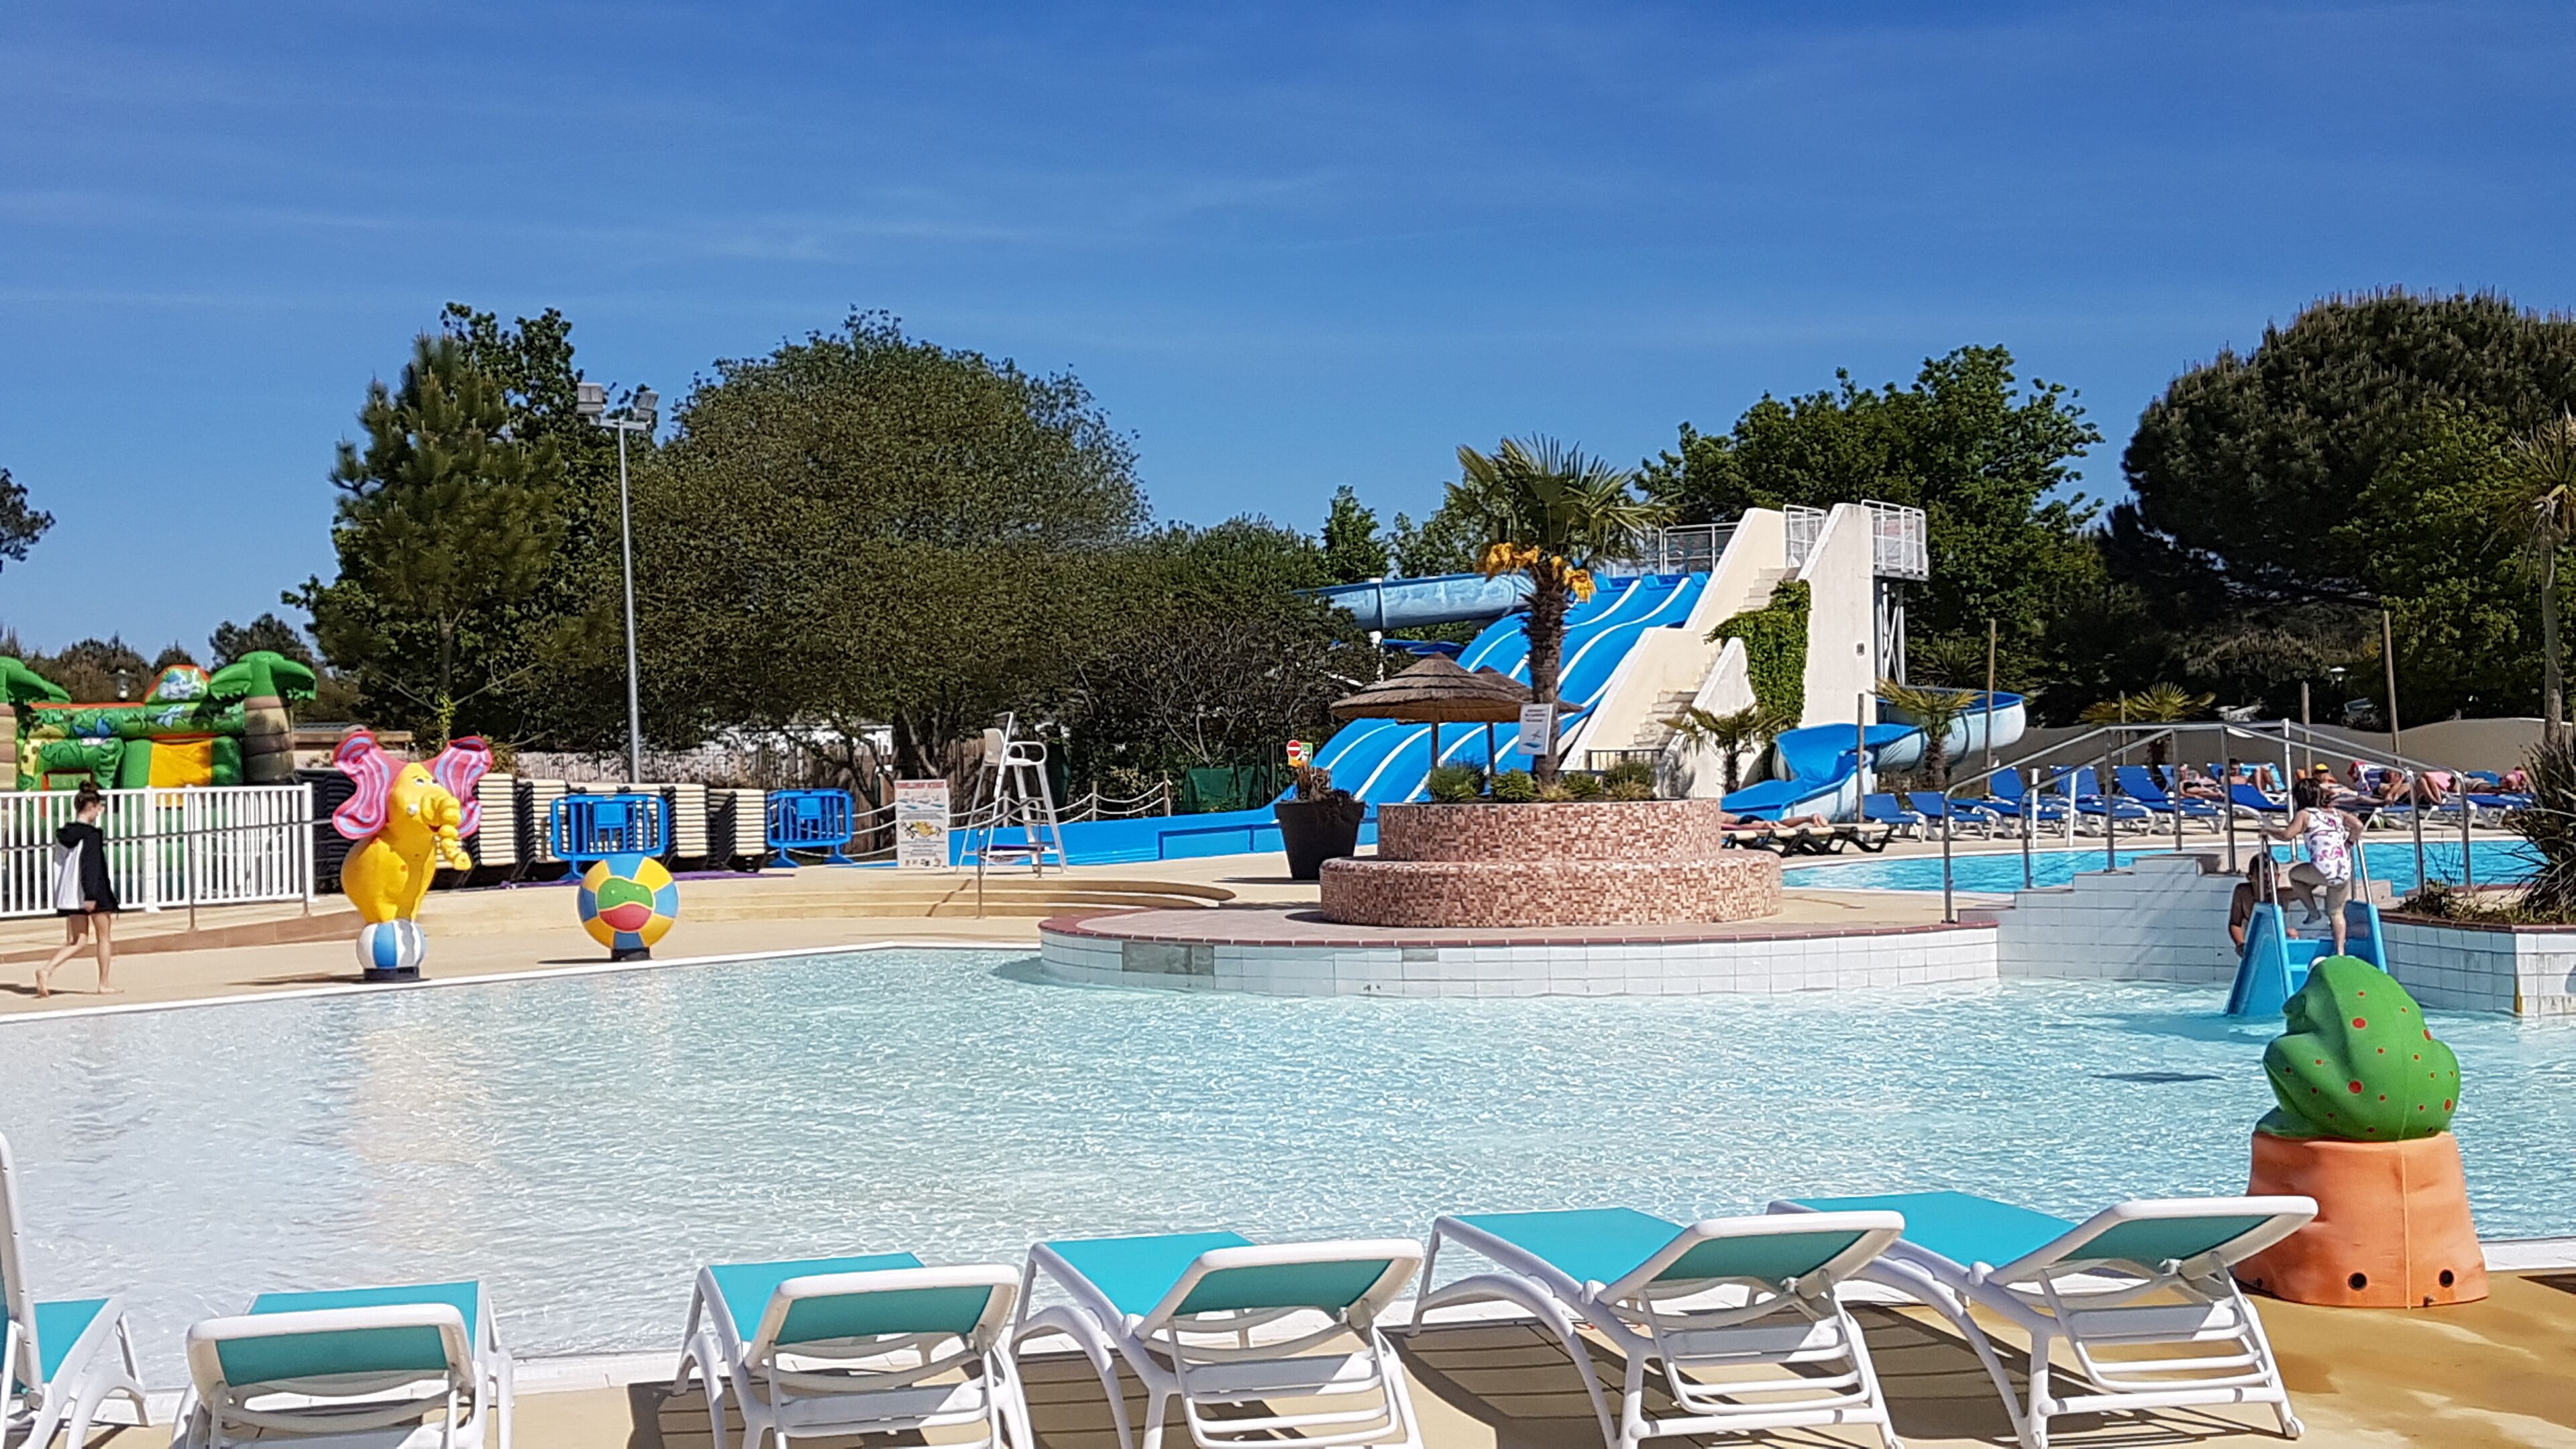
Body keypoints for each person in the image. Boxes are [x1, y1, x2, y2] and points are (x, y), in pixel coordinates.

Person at [36, 782, 121, 998]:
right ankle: (104, 983)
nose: (100, 811)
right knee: (104, 937)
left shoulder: (66, 833)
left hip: (71, 893)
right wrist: (92, 895)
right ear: (91, 806)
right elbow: (90, 865)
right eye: (99, 807)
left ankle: (47, 970)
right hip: (92, 890)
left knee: (78, 940)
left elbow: (61, 864)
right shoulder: (91, 834)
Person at [2269, 777, 2365, 956]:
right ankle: (2340, 951)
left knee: (2295, 875)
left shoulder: (2305, 815)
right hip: (2344, 870)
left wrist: (2268, 830)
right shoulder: (2336, 813)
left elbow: (2287, 835)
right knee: (2337, 912)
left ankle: (2313, 912)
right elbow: (2358, 826)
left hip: (2323, 870)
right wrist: (2349, 843)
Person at [2229, 853, 2295, 952]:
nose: (2269, 880)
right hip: (2257, 944)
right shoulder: (2243, 892)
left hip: (2278, 944)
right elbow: (2235, 923)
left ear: (2278, 876)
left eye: (2273, 876)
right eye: (2263, 876)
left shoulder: (2282, 895)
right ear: (2250, 877)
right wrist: (2241, 944)